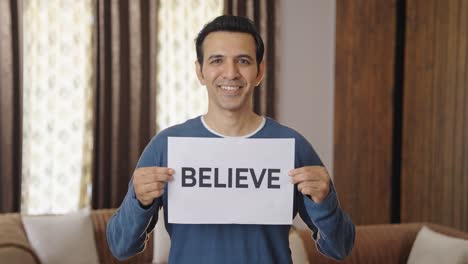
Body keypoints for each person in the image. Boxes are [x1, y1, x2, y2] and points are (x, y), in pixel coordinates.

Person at [107, 15, 355, 263]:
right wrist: (137, 202)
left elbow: (340, 247)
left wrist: (325, 203)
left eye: (243, 61)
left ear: (259, 71)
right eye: (217, 60)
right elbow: (121, 246)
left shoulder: (292, 146)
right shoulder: (166, 145)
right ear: (200, 71)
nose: (231, 73)